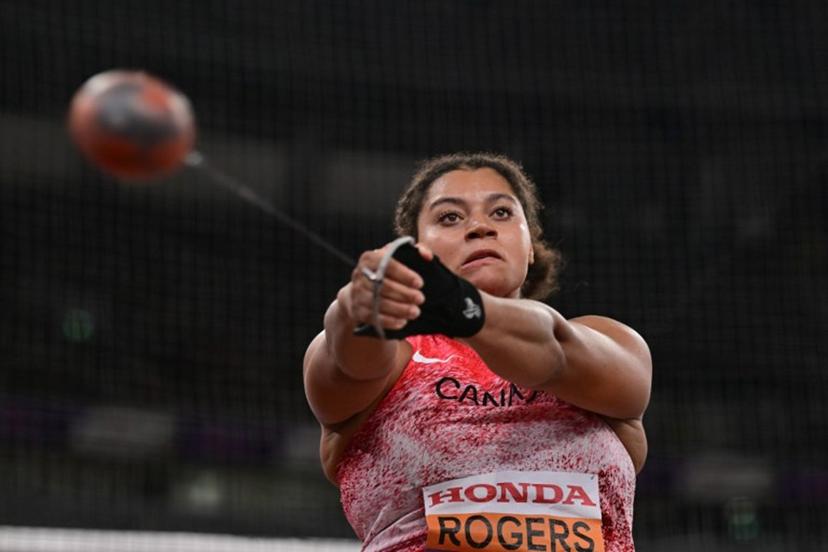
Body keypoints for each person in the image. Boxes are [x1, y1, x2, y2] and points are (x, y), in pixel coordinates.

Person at [303, 152, 651, 552]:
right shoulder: (395, 357)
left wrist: (466, 309)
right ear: (417, 251)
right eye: (450, 217)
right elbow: (347, 360)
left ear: (531, 246)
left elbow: (553, 348)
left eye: (501, 212)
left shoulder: (608, 341)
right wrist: (357, 308)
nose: (480, 227)